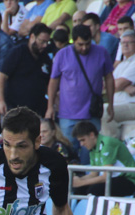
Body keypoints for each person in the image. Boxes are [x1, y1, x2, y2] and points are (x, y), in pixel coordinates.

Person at [47, 24, 115, 157]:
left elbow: (109, 78)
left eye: (87, 44)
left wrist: (111, 104)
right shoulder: (62, 54)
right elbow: (53, 81)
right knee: (67, 153)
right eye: (80, 44)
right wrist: (50, 106)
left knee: (90, 155)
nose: (84, 48)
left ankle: (87, 178)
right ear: (73, 41)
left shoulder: (102, 52)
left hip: (92, 113)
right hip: (68, 114)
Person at [0, 23, 52, 124]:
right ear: (32, 37)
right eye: (42, 41)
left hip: (36, 110)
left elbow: (50, 84)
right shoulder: (18, 52)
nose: (44, 45)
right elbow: (2, 77)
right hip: (14, 109)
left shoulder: (45, 59)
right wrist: (1, 101)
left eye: (47, 42)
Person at [71, 120, 135, 196]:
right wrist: (78, 180)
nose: (81, 144)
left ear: (91, 135)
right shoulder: (92, 148)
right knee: (79, 190)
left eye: (83, 140)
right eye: (79, 141)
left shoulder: (106, 144)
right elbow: (94, 174)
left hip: (129, 180)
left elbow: (106, 177)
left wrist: (82, 182)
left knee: (94, 190)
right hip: (114, 179)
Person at [101, 30, 135, 138]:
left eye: (130, 42)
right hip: (119, 105)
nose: (126, 45)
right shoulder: (121, 64)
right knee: (96, 109)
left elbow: (116, 85)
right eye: (123, 43)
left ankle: (112, 146)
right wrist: (124, 87)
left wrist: (121, 86)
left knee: (105, 112)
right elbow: (105, 86)